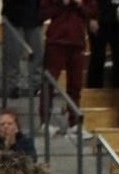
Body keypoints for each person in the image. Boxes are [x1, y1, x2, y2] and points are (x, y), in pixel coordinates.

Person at [42, 0, 97, 128]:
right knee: (49, 82)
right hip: (56, 41)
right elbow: (43, 13)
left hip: (77, 42)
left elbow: (92, 11)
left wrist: (80, 4)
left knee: (75, 85)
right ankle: (45, 122)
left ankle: (74, 124)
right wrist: (62, 3)